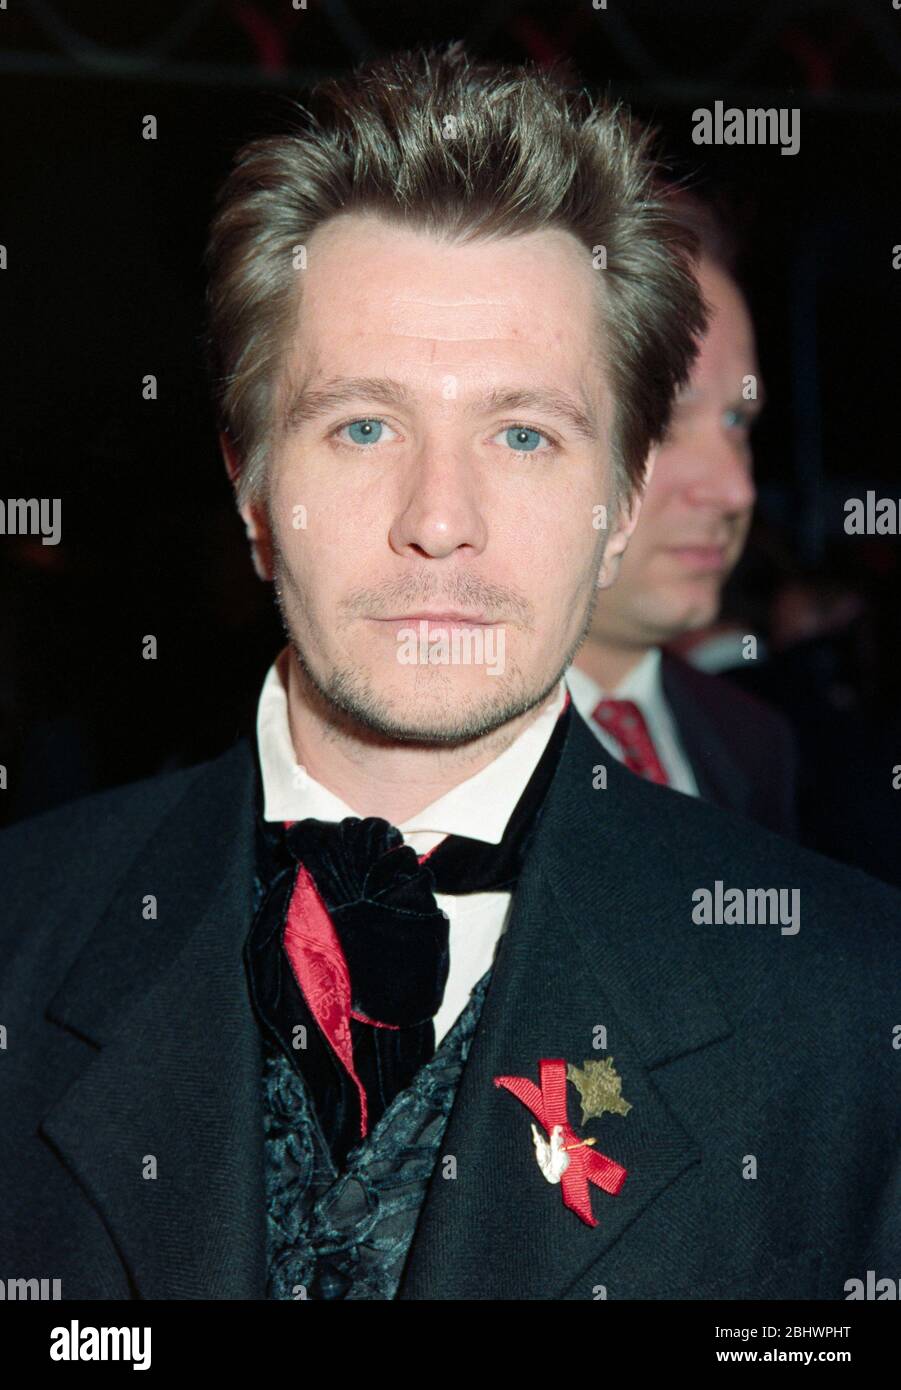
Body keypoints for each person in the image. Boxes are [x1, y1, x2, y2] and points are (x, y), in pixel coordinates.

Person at [0, 45, 898, 1301]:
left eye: (523, 434)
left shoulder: (852, 1016)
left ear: (621, 499)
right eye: (363, 425)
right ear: (253, 489)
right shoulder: (23, 938)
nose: (439, 519)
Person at [569, 196, 798, 835]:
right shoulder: (429, 756)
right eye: (665, 420)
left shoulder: (755, 745)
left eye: (737, 422)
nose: (736, 491)